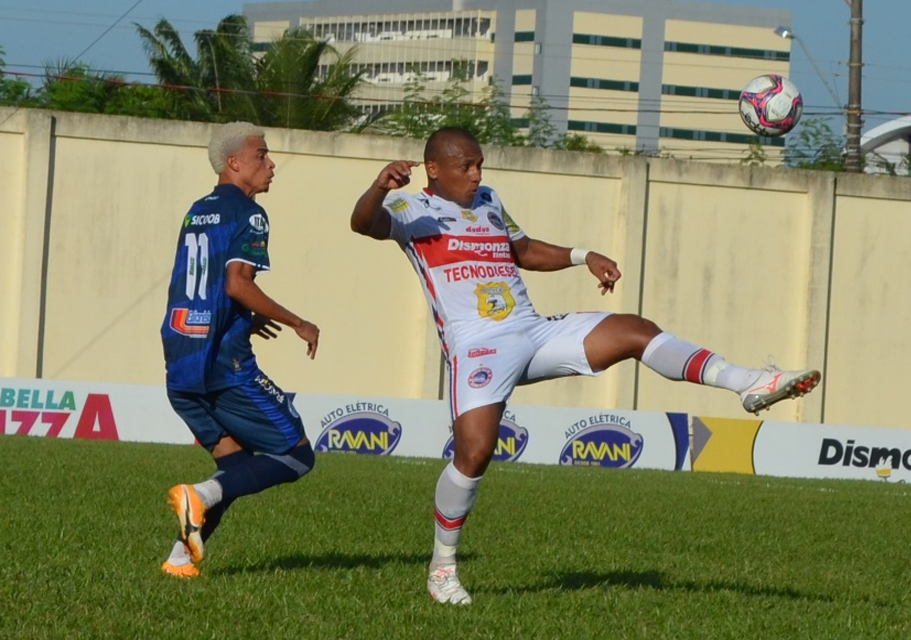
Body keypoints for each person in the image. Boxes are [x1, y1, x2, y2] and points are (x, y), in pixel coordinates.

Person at [350, 126, 822, 605]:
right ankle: (442, 570)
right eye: (465, 166)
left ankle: (748, 382)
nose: (476, 175)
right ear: (434, 169)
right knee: (474, 453)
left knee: (634, 329)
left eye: (479, 164)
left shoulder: (489, 200)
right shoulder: (411, 209)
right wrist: (378, 188)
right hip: (479, 345)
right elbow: (363, 223)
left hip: (532, 331)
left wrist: (583, 256)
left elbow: (524, 251)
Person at [159, 122, 320, 578]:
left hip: (180, 357)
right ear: (234, 163)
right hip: (223, 364)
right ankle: (200, 496)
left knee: (233, 466)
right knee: (296, 456)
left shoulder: (198, 209)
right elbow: (236, 282)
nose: (271, 165)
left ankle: (177, 561)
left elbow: (206, 286)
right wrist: (297, 322)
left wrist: (246, 318)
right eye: (262, 156)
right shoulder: (250, 213)